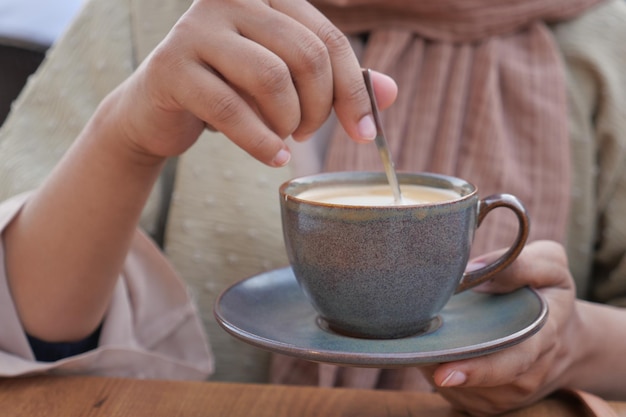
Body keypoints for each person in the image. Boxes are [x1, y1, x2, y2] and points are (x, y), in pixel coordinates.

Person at [0, 0, 625, 415]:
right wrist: (128, 137)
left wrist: (572, 344)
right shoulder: (154, 15)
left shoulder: (604, 35)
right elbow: (18, 331)